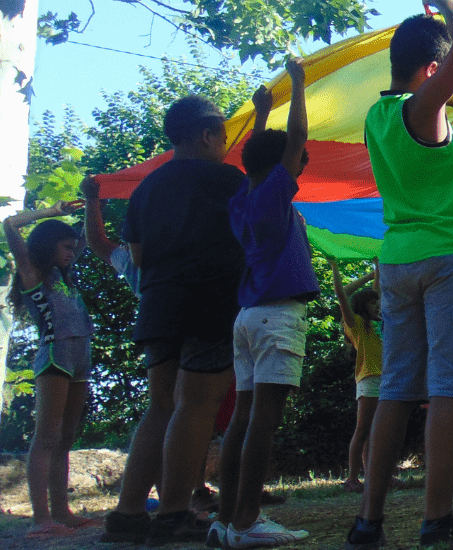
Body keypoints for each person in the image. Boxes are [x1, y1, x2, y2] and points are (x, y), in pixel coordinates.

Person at [344, 1, 453, 547]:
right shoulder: (420, 112)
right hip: (446, 258)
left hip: (397, 261)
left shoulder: (375, 116)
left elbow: (416, 105)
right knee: (449, 389)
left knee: (395, 390)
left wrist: (447, 96)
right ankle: (437, 520)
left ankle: (368, 521)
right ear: (431, 71)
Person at [102, 94, 246, 546]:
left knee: (161, 404)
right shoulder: (225, 180)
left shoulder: (146, 189)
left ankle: (126, 516)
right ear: (205, 135)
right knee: (196, 405)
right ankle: (172, 515)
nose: (224, 145)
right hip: (206, 303)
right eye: (222, 136)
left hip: (157, 305)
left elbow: (138, 258)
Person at [213, 59, 318, 548]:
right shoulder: (276, 193)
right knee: (263, 420)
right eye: (298, 161)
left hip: (248, 317)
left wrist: (260, 113)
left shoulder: (244, 198)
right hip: (277, 316)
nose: (303, 163)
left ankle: (226, 519)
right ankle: (248, 519)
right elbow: (293, 139)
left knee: (244, 416)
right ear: (283, 166)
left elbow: (257, 157)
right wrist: (296, 86)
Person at [5, 202, 99, 538]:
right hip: (55, 358)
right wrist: (52, 211)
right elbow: (9, 224)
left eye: (74, 248)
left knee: (66, 438)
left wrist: (94, 203)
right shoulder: (32, 272)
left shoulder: (65, 276)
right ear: (48, 245)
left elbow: (88, 236)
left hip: (81, 358)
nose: (73, 252)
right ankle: (40, 519)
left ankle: (61, 512)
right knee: (47, 436)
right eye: (66, 246)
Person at [330, 260, 380, 493]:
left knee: (377, 430)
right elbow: (342, 295)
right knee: (363, 429)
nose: (378, 305)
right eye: (373, 303)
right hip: (369, 379)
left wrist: (379, 270)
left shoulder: (379, 324)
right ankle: (352, 478)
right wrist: (335, 269)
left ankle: (375, 476)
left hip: (386, 381)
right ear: (363, 306)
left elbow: (377, 292)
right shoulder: (357, 324)